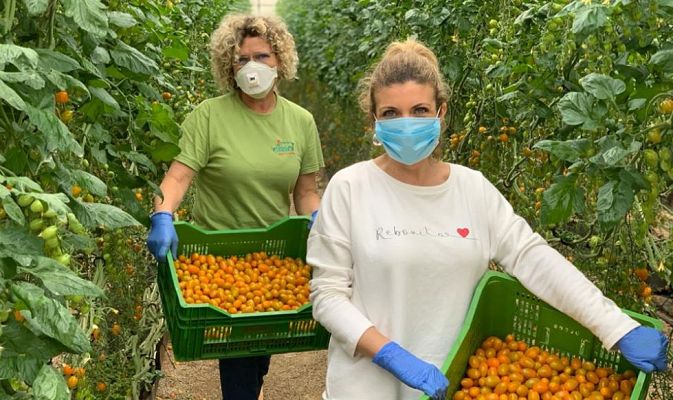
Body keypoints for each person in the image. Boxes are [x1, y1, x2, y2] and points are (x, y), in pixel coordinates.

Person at [306, 38, 668, 400]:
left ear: (441, 113)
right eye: (390, 113)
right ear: (374, 120)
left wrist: (617, 327)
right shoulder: (351, 187)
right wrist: (389, 354)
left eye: (419, 110)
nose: (406, 124)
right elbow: (328, 296)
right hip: (365, 389)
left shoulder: (472, 189)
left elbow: (532, 257)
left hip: (455, 383)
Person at [146, 14, 324, 400]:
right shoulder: (208, 116)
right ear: (229, 65)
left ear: (280, 61)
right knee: (239, 355)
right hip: (217, 260)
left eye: (262, 56)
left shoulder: (300, 122)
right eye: (242, 59)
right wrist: (163, 213)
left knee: (258, 351)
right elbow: (178, 176)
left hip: (274, 261)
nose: (253, 67)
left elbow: (306, 190)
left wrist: (317, 216)